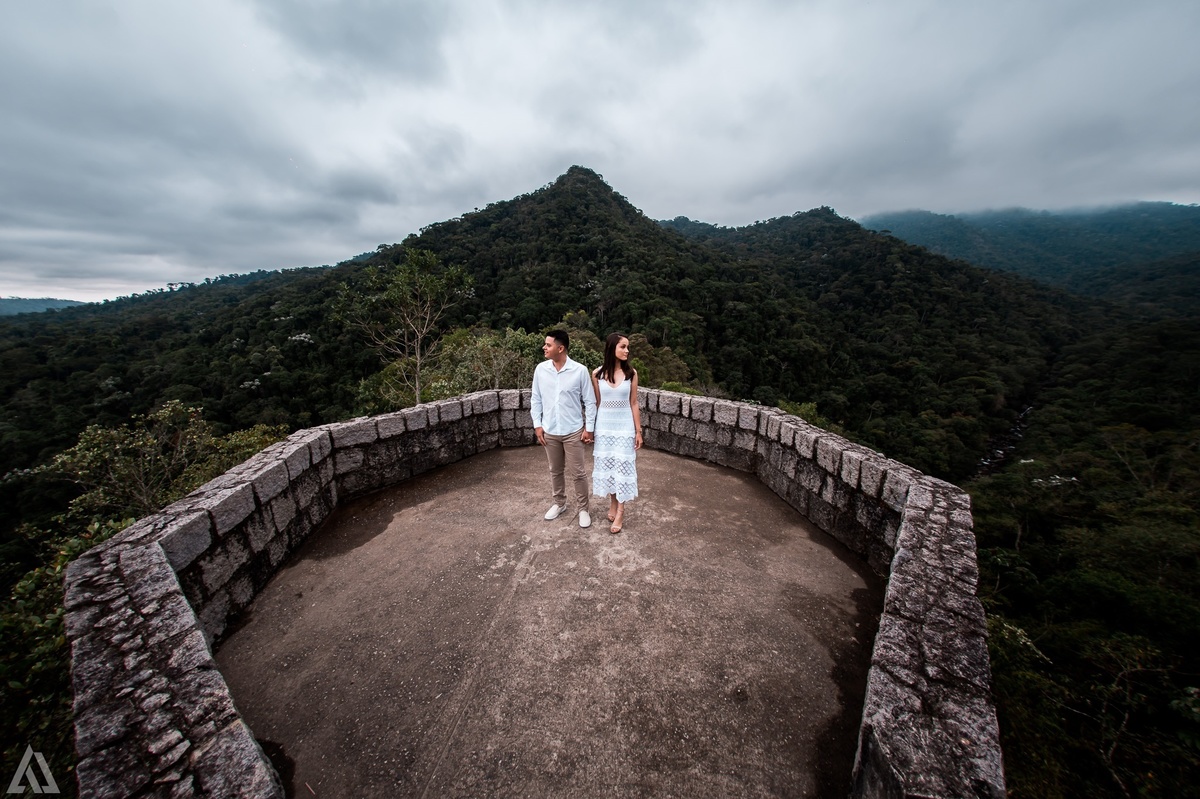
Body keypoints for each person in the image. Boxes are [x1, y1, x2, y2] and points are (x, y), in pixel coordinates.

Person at [530, 330, 597, 528]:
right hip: (550, 430)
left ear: (560, 348)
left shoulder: (579, 371)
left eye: (548, 345)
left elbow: (590, 401)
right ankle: (560, 503)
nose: (544, 347)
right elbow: (536, 399)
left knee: (578, 473)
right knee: (555, 471)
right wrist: (537, 425)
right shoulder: (541, 370)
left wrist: (589, 428)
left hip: (573, 431)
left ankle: (583, 509)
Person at [590, 332, 642, 534]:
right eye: (623, 346)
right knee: (610, 466)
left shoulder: (631, 374)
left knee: (623, 468)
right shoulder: (597, 374)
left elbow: (634, 403)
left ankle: (621, 510)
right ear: (612, 348)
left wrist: (638, 431)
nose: (627, 350)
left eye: (628, 347)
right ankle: (613, 502)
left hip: (625, 427)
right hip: (604, 427)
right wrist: (590, 429)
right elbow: (597, 403)